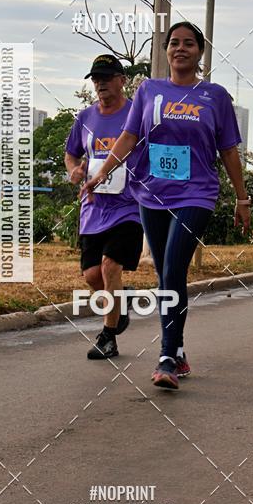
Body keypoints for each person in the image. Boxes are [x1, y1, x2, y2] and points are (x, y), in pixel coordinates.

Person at [82, 22, 251, 389]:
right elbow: (129, 136)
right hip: (152, 194)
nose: (180, 49)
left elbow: (229, 150)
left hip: (197, 193)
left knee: (174, 268)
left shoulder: (215, 96)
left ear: (200, 52)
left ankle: (167, 355)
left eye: (189, 43)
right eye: (174, 43)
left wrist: (242, 197)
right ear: (165, 50)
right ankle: (179, 348)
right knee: (165, 275)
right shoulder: (149, 90)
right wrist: (100, 174)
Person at [65, 54, 144, 360]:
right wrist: (73, 170)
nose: (100, 84)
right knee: (92, 276)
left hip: (129, 206)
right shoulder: (84, 118)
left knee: (111, 265)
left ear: (121, 80)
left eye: (106, 78)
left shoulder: (135, 115)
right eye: (95, 79)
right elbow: (71, 154)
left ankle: (108, 336)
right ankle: (120, 305)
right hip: (93, 208)